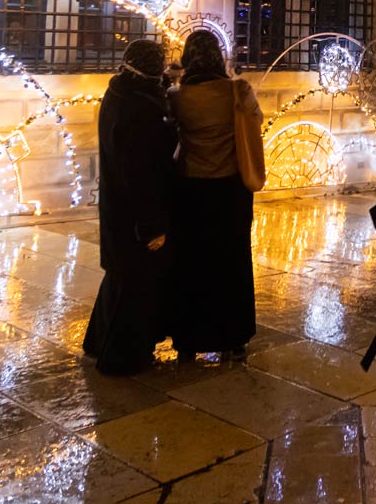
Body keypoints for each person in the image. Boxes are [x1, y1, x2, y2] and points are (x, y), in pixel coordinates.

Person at [166, 30, 263, 360]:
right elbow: (255, 120)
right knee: (232, 261)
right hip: (230, 189)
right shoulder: (237, 90)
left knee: (192, 265)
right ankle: (233, 335)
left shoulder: (177, 96)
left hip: (191, 189)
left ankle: (188, 339)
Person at [81, 40, 177, 375]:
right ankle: (122, 358)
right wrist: (152, 224)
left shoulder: (120, 93)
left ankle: (97, 341)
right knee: (135, 285)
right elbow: (142, 173)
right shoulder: (140, 110)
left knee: (119, 279)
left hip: (118, 206)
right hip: (134, 213)